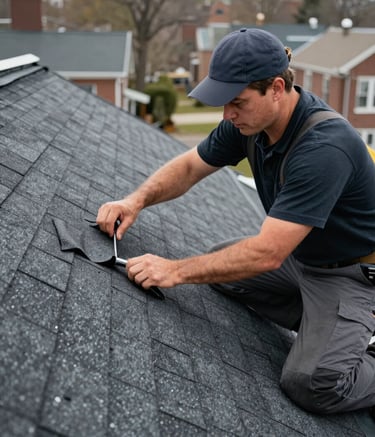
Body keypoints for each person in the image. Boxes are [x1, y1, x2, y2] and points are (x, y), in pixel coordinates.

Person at [97, 28, 375, 416]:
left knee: (311, 383)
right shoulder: (251, 123)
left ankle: (356, 339)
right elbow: (192, 165)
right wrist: (135, 200)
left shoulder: (323, 148)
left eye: (237, 103)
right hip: (302, 259)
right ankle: (326, 327)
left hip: (348, 276)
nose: (227, 114)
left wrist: (174, 270)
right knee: (219, 267)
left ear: (277, 88)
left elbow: (267, 253)